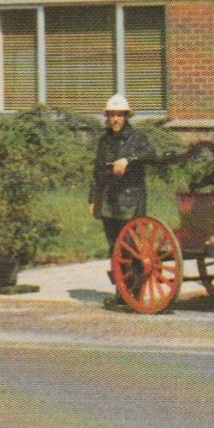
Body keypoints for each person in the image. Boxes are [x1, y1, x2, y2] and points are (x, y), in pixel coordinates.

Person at [89, 93, 154, 286]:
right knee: (114, 246)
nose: (115, 119)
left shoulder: (138, 138)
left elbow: (150, 154)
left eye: (119, 115)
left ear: (126, 116)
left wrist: (128, 160)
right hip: (108, 199)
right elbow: (97, 171)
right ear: (107, 117)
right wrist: (92, 200)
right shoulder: (104, 141)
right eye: (112, 115)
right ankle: (121, 290)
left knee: (131, 246)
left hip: (130, 200)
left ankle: (134, 289)